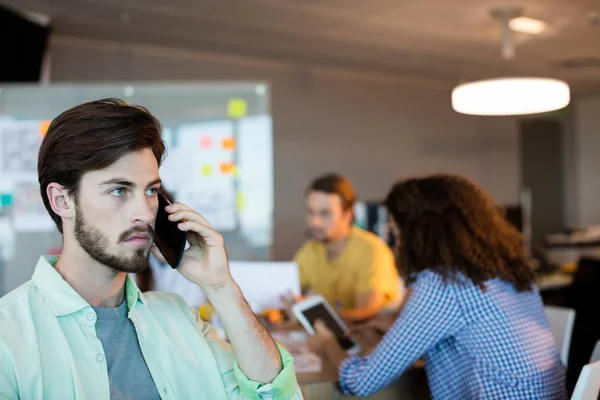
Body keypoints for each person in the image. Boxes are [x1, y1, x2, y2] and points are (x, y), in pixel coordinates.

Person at [0, 99, 302, 399]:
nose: (145, 213)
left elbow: (273, 395)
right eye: (119, 190)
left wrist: (220, 286)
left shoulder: (179, 317)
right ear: (61, 201)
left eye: (151, 191)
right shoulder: (9, 337)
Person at [307, 174, 567, 399]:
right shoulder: (502, 270)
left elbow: (359, 383)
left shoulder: (444, 284)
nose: (395, 243)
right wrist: (389, 332)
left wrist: (327, 344)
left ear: (418, 235)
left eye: (396, 234)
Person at [289, 174, 403, 323]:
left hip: (365, 341)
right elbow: (288, 292)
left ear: (348, 214)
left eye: (325, 214)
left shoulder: (372, 249)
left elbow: (367, 313)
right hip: (323, 337)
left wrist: (314, 314)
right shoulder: (310, 250)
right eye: (310, 212)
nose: (315, 222)